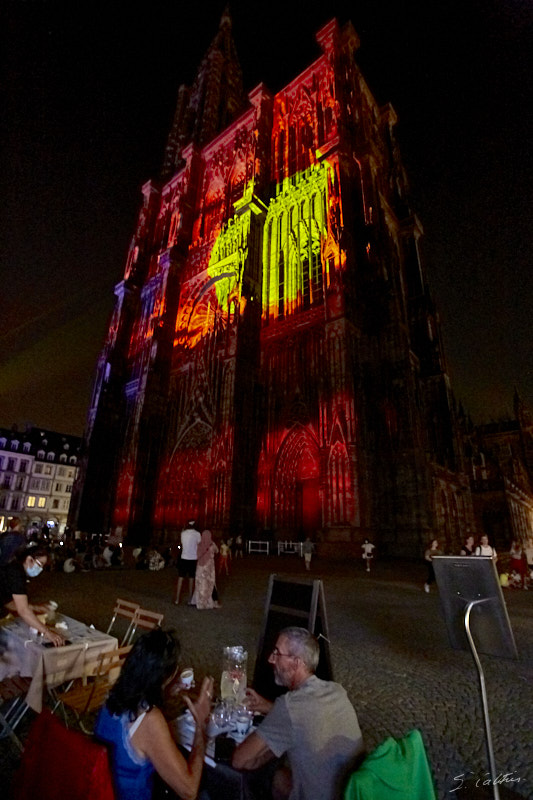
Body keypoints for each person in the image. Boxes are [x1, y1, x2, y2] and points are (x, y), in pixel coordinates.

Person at [232, 627, 364, 800]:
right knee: (279, 778)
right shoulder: (336, 690)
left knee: (261, 776)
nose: (271, 659)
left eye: (277, 653)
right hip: (353, 793)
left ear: (296, 662)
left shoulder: (290, 706)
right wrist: (268, 708)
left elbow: (240, 760)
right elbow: (308, 719)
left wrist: (272, 749)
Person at [95, 628, 213, 800]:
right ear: (166, 676)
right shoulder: (149, 719)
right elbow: (189, 790)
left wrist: (167, 690)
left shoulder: (113, 697)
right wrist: (201, 724)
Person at [0, 542, 64, 646]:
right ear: (30, 559)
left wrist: (36, 608)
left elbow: (8, 602)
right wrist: (46, 632)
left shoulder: (15, 569)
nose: (41, 569)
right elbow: (23, 610)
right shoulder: (16, 574)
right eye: (40, 564)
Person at [174, 520, 201, 605]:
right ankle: (190, 599)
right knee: (191, 579)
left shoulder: (183, 533)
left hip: (184, 557)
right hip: (193, 558)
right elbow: (199, 544)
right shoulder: (197, 534)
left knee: (180, 578)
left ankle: (177, 599)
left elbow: (181, 544)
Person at [194, 530, 220, 609]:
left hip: (200, 567)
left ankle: (200, 602)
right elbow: (217, 551)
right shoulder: (212, 544)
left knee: (200, 585)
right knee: (210, 584)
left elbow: (197, 555)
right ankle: (211, 601)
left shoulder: (200, 545)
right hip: (209, 568)